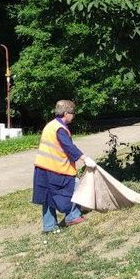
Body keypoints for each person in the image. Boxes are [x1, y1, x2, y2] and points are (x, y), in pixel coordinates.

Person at [32, 99, 97, 233]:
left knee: (47, 197)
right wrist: (84, 158)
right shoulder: (60, 129)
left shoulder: (51, 125)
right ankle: (72, 216)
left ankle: (49, 226)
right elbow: (69, 147)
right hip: (56, 169)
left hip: (42, 168)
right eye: (73, 113)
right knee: (74, 187)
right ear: (66, 113)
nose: (74, 116)